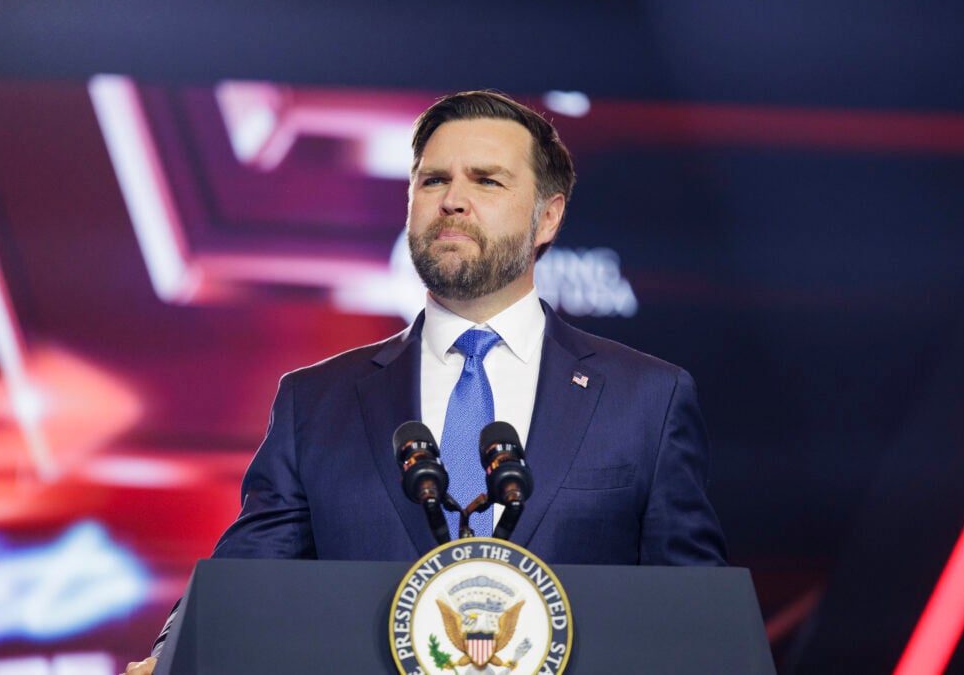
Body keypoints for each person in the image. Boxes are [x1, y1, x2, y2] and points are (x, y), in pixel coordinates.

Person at [121, 90, 726, 675]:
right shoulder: (316, 402)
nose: (452, 200)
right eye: (433, 180)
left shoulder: (648, 399)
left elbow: (697, 619)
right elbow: (244, 577)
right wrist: (170, 657)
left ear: (549, 216)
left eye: (486, 180)